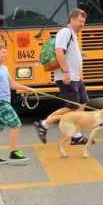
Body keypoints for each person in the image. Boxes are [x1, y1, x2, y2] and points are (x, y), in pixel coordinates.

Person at [34, 8, 89, 145]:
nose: (82, 24)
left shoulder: (73, 34)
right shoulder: (65, 32)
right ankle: (44, 124)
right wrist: (66, 72)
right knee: (72, 107)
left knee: (82, 103)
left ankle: (76, 136)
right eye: (80, 21)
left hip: (75, 78)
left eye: (84, 22)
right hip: (67, 77)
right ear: (72, 19)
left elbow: (69, 54)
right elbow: (59, 52)